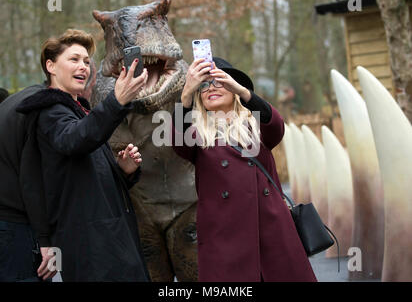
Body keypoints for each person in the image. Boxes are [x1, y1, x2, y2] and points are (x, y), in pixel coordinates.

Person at [16, 29, 150, 282]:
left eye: (87, 62)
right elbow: (75, 140)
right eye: (74, 59)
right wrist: (117, 101)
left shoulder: (80, 113)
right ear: (51, 66)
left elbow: (86, 172)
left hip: (112, 241)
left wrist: (124, 170)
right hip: (91, 247)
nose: (83, 67)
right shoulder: (49, 111)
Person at [172, 57, 317, 282]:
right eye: (203, 85)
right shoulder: (196, 136)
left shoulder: (256, 125)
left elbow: (276, 125)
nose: (211, 87)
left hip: (272, 233)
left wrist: (243, 91)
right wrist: (185, 96)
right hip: (224, 243)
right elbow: (177, 141)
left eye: (219, 81)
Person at [0, 86, 55, 281]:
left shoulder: (16, 101)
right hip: (20, 229)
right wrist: (46, 240)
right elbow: (33, 183)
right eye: (74, 59)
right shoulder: (43, 108)